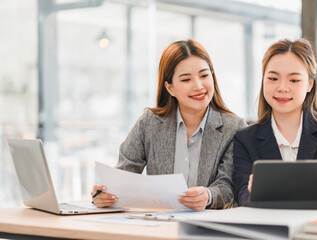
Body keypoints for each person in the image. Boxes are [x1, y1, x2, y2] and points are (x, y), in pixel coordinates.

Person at [92, 39, 247, 210]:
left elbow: (229, 185)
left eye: (204, 76)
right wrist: (106, 195)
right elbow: (124, 174)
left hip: (209, 225)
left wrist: (208, 196)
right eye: (186, 79)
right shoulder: (149, 122)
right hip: (158, 223)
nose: (198, 86)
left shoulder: (235, 127)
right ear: (170, 88)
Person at [232, 38, 317, 212]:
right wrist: (253, 192)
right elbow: (243, 200)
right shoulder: (245, 139)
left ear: (309, 84)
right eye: (273, 78)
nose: (282, 87)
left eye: (294, 80)